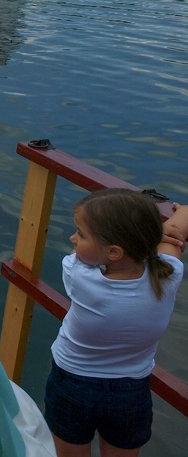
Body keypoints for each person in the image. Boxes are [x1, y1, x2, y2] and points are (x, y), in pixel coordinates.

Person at [44, 188, 188, 457]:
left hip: (72, 382)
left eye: (81, 234)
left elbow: (172, 229)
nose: (73, 239)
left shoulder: (78, 275)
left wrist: (156, 235)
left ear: (113, 252)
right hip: (130, 390)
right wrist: (155, 236)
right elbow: (184, 219)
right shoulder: (168, 275)